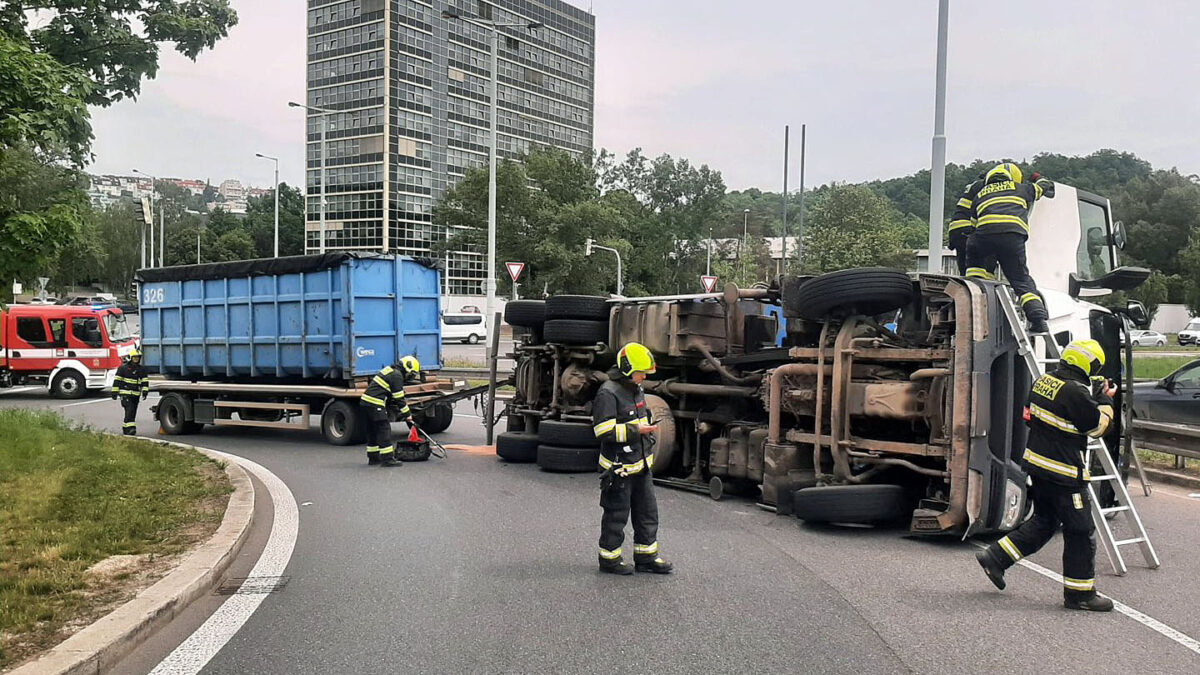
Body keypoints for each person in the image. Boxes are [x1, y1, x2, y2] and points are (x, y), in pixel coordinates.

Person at [975, 339, 1116, 612]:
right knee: (1080, 530)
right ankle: (1080, 595)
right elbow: (1098, 428)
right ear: (1088, 364)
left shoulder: (1044, 381)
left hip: (1038, 467)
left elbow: (1029, 417)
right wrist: (1104, 400)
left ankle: (996, 557)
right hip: (1063, 473)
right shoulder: (1076, 392)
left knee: (1045, 522)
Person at [592, 342, 673, 575]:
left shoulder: (635, 388)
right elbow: (603, 431)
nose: (643, 377)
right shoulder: (608, 392)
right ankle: (609, 559)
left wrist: (644, 428)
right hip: (619, 468)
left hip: (641, 465)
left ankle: (646, 557)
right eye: (641, 373)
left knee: (647, 513)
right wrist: (637, 429)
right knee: (616, 514)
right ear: (628, 370)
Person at [964, 162, 1056, 334]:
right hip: (1012, 238)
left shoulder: (980, 195)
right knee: (1020, 279)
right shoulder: (1021, 189)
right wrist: (1038, 178)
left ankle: (974, 288)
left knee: (975, 252)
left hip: (984, 237)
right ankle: (1038, 319)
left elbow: (973, 225)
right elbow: (1044, 186)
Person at [360, 355, 418, 467]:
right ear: (407, 368)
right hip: (375, 403)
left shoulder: (390, 371)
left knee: (372, 431)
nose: (410, 377)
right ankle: (387, 459)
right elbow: (399, 399)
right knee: (384, 429)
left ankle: (373, 458)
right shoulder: (397, 376)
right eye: (411, 374)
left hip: (365, 403)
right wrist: (408, 415)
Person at [947, 173, 985, 275]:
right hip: (968, 228)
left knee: (964, 270)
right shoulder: (987, 187)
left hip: (956, 229)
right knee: (980, 268)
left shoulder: (975, 186)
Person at [111, 348, 149, 436]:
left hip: (136, 395)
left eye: (138, 357)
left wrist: (145, 392)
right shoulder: (123, 368)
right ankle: (130, 429)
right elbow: (117, 381)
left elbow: (145, 381)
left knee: (133, 412)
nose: (136, 359)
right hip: (125, 394)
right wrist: (114, 393)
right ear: (131, 358)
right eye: (135, 357)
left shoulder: (142, 369)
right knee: (129, 410)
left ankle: (127, 428)